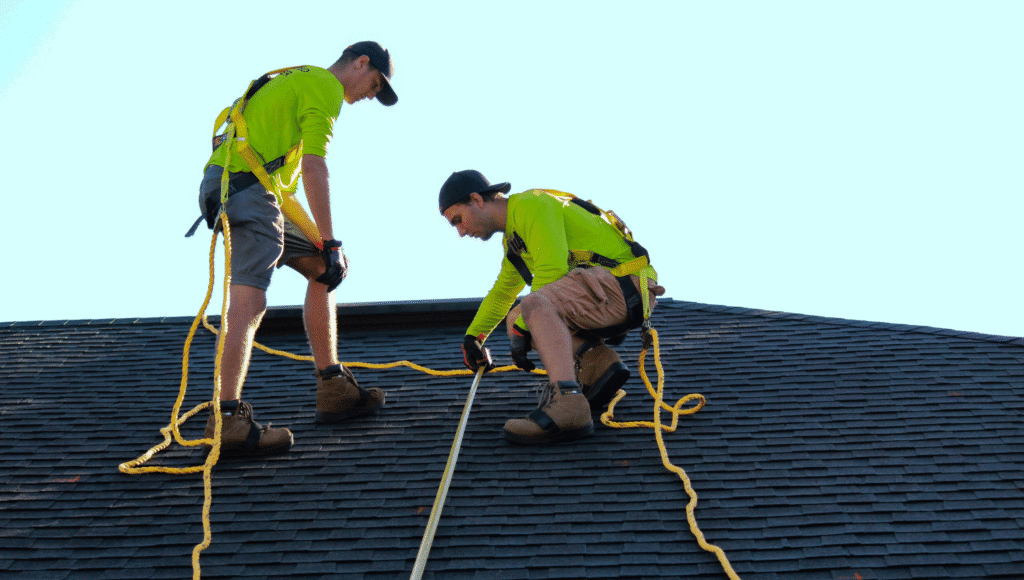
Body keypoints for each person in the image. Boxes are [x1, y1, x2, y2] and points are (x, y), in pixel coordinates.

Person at [193, 41, 398, 458]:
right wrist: (332, 235)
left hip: (252, 188)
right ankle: (227, 418)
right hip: (244, 189)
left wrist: (325, 247)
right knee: (249, 301)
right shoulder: (324, 86)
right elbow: (314, 165)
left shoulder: (298, 79)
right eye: (374, 84)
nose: (370, 95)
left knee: (327, 268)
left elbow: (280, 179)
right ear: (360, 63)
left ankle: (333, 387)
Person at [438, 170, 665, 445]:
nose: (461, 232)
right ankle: (598, 363)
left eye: (458, 220)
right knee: (516, 317)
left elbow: (552, 270)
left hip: (623, 285)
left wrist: (525, 327)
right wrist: (474, 337)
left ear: (476, 199)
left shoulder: (530, 205)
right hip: (608, 290)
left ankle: (569, 403)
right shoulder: (515, 240)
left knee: (532, 306)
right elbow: (502, 292)